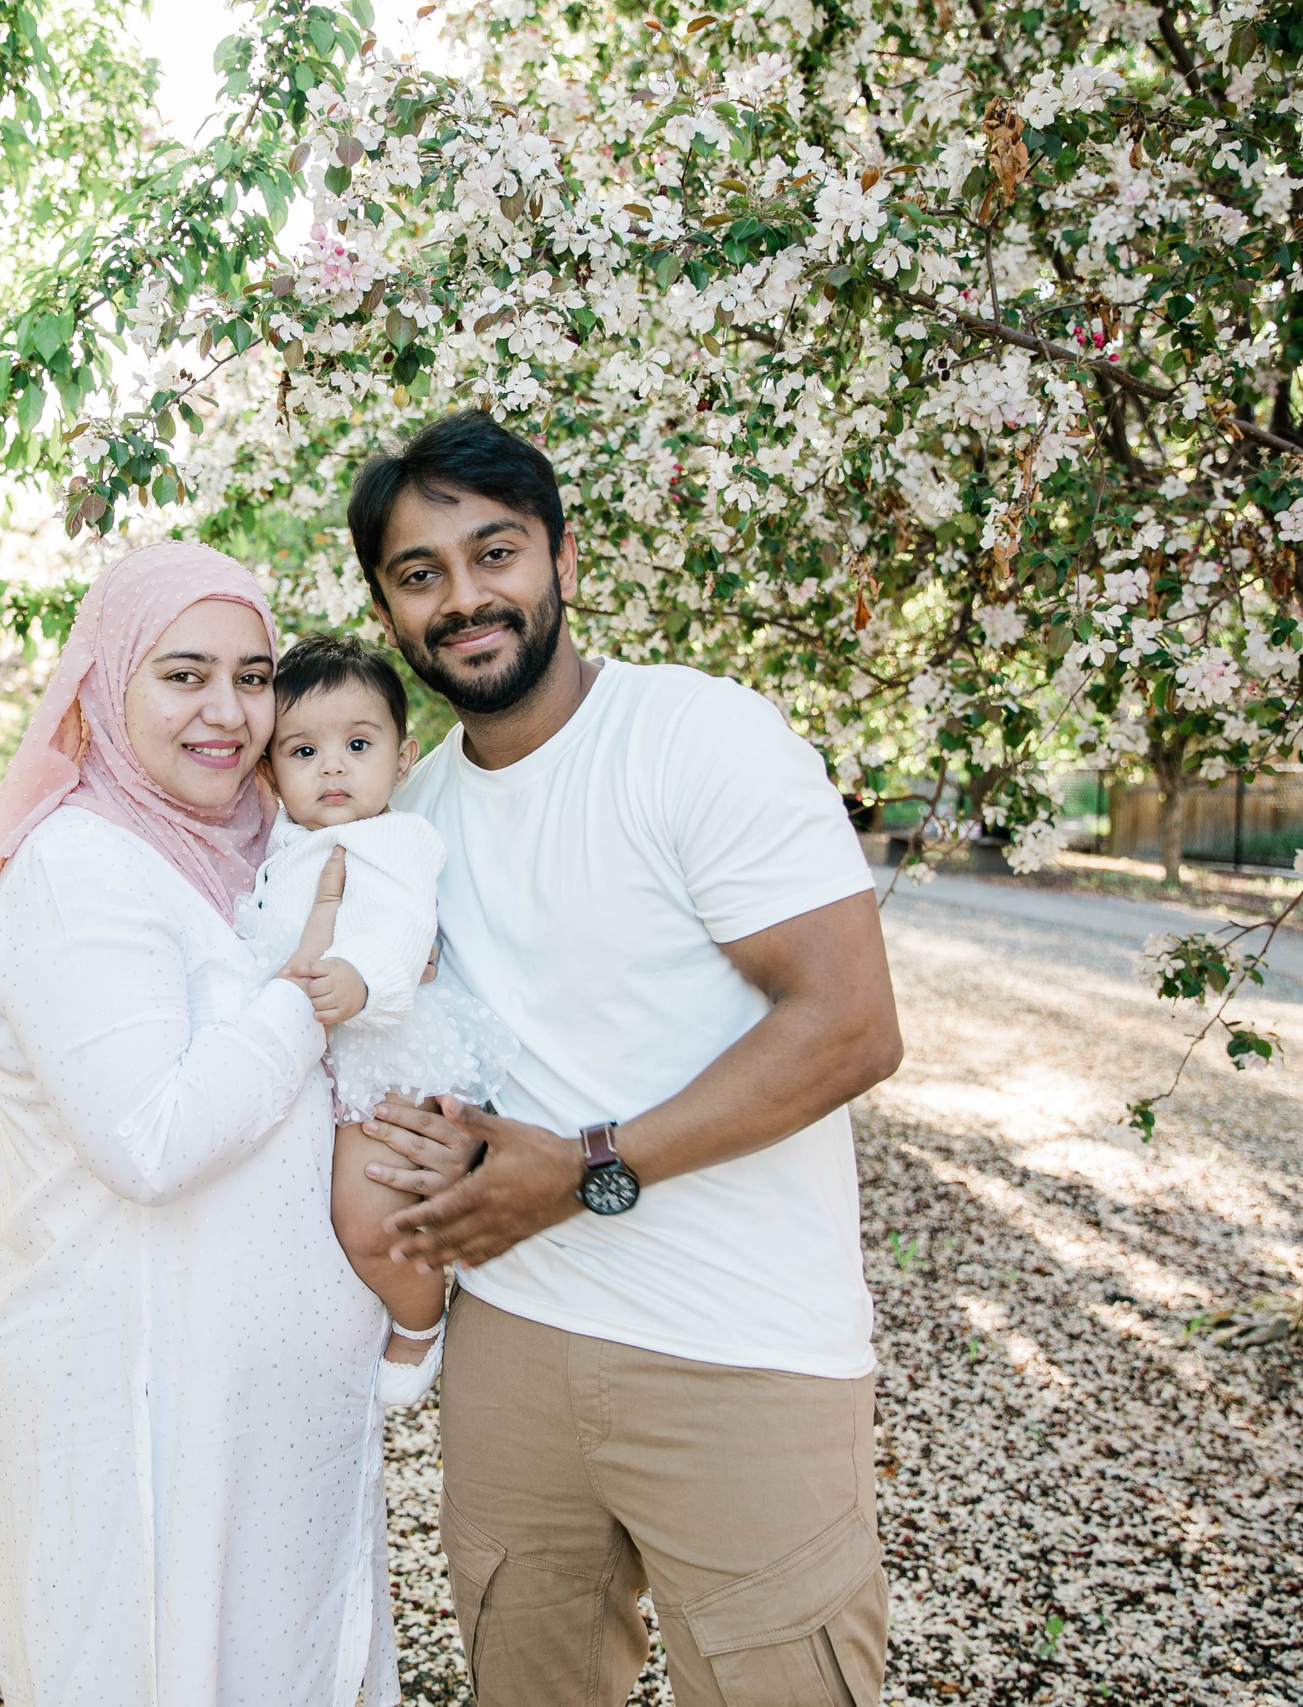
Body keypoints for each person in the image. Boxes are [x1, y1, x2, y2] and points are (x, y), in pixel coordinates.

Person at [347, 412, 907, 1706]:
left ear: (563, 558)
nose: (464, 596)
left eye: (495, 552)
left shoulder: (699, 735)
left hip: (741, 1347)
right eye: (420, 572)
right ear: (387, 606)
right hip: (513, 1344)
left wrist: (589, 1165)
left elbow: (850, 1022)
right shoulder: (412, 816)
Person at [0, 543, 425, 1707]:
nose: (228, 713)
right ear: (106, 685)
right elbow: (151, 1142)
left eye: (254, 675)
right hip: (147, 1403)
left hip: (282, 1412)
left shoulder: (259, 852)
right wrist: (300, 999)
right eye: (183, 675)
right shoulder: (82, 872)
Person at [234, 632, 516, 1409]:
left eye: (357, 744)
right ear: (268, 772)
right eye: (303, 750)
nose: (332, 766)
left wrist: (361, 978)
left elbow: (402, 926)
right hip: (308, 1047)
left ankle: (421, 1321)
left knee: (363, 1216)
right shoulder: (286, 843)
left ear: (401, 758)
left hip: (377, 1046)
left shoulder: (395, 838)